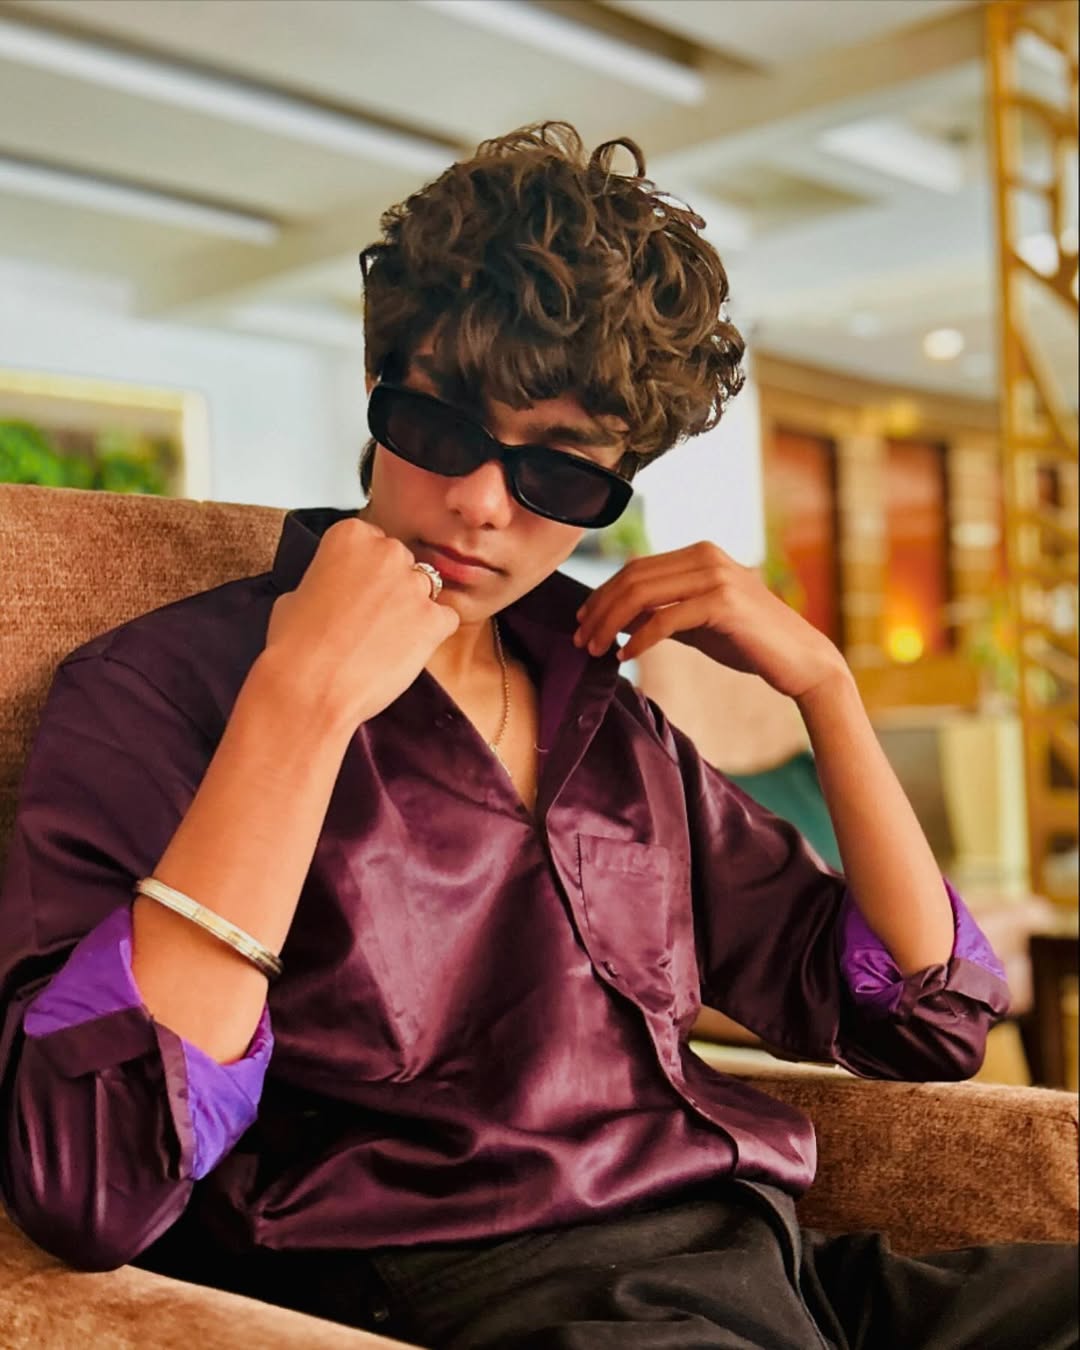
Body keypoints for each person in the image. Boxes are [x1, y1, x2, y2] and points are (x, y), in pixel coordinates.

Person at [0, 122, 1074, 1350]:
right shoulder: (158, 690)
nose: (477, 504)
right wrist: (299, 701)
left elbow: (926, 1021)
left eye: (558, 475)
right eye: (440, 426)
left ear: (616, 486)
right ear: (377, 390)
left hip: (769, 1264)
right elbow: (92, 1176)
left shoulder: (599, 700)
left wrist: (827, 691)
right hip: (472, 1292)